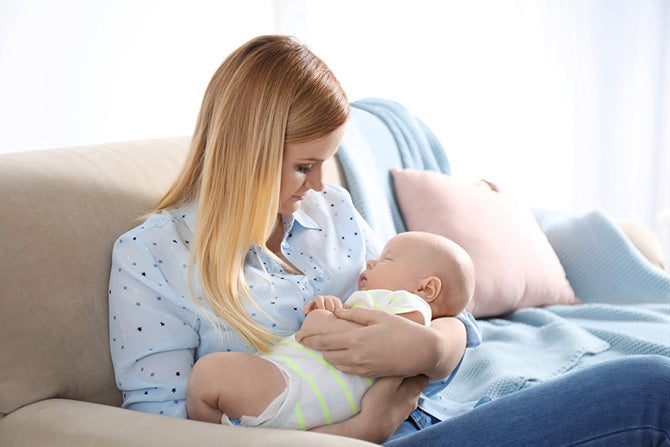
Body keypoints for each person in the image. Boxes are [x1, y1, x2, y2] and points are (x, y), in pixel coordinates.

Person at [109, 34, 670, 445]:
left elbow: (442, 305)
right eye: (305, 166)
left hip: (437, 413)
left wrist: (432, 348)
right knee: (648, 390)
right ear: (247, 155)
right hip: (367, 438)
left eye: (325, 164)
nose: (322, 187)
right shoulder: (152, 256)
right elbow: (163, 430)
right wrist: (363, 428)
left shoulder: (332, 213)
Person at [185, 231, 476, 430]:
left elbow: (325, 335)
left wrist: (324, 316)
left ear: (427, 288)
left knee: (209, 375)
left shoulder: (406, 304)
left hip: (301, 388)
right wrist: (332, 310)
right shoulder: (381, 302)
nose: (371, 261)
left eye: (387, 259)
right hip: (313, 399)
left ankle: (224, 430)